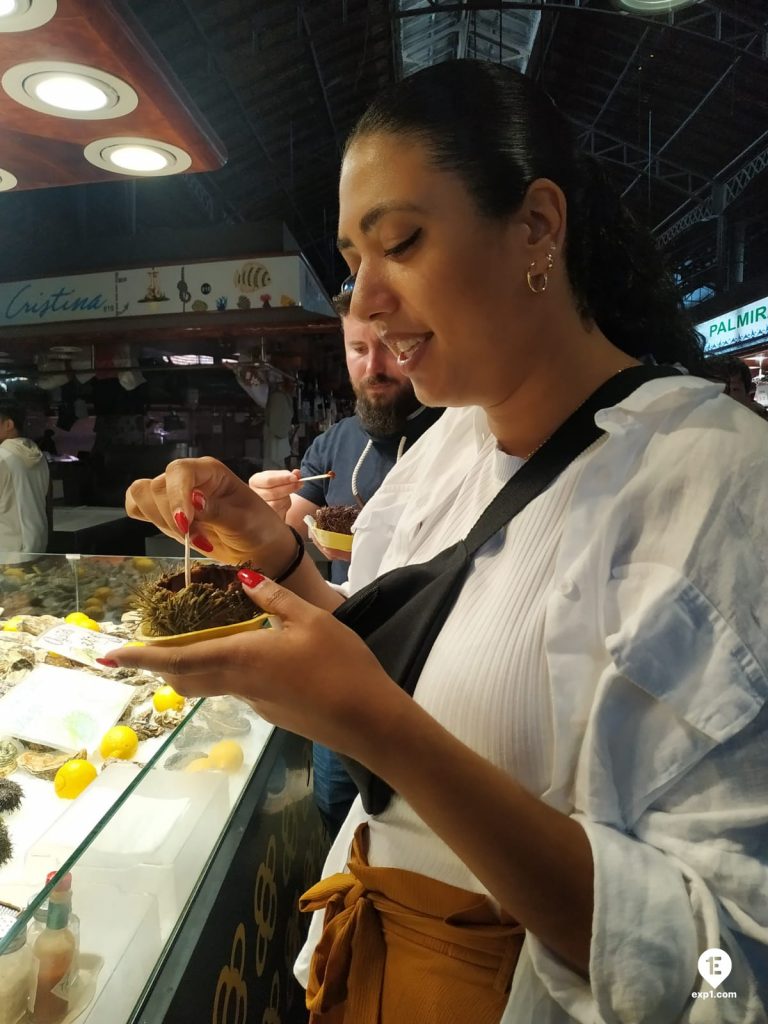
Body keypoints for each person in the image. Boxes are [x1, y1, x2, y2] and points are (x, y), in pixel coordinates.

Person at [106, 60, 768, 1024]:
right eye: (352, 259)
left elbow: (730, 965)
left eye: (401, 243)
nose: (364, 300)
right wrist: (278, 555)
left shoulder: (717, 484)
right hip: (363, 967)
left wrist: (380, 732)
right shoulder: (442, 448)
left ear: (537, 227)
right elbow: (414, 664)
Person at [249, 293, 443, 837]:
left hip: (425, 672)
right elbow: (294, 532)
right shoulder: (338, 438)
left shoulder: (458, 436)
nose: (373, 367)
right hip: (340, 651)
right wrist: (264, 510)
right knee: (335, 806)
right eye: (358, 349)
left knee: (412, 822)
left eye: (388, 348)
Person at [0, 398, 50, 556]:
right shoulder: (40, 457)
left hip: (7, 551)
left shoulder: (2, 458)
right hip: (38, 545)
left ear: (8, 425)